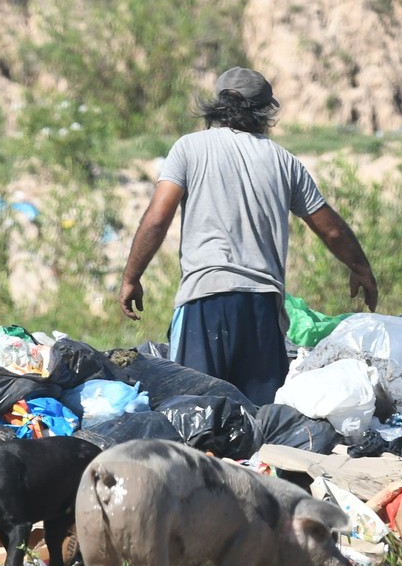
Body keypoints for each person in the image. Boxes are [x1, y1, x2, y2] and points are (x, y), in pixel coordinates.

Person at [119, 66, 378, 406]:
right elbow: (329, 227)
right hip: (262, 308)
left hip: (205, 299)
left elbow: (156, 220)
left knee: (193, 415)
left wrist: (131, 277)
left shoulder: (189, 148)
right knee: (257, 425)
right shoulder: (284, 161)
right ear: (266, 111)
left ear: (219, 104)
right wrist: (362, 270)